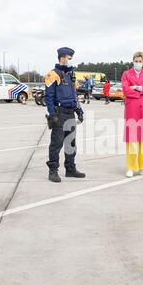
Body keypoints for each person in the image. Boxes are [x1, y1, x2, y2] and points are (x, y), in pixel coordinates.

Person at [45, 47, 86, 183]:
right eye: (69, 58)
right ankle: (53, 171)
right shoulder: (52, 74)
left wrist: (79, 110)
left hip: (70, 113)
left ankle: (70, 169)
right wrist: (52, 115)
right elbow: (49, 97)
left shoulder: (70, 75)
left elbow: (74, 95)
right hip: (59, 112)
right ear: (62, 58)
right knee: (56, 144)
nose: (70, 61)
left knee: (71, 143)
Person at [122, 51, 143, 178]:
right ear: (133, 61)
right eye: (136, 61)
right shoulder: (126, 74)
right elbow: (126, 89)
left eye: (140, 61)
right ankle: (131, 167)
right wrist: (142, 90)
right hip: (132, 109)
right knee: (132, 138)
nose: (138, 63)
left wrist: (137, 87)